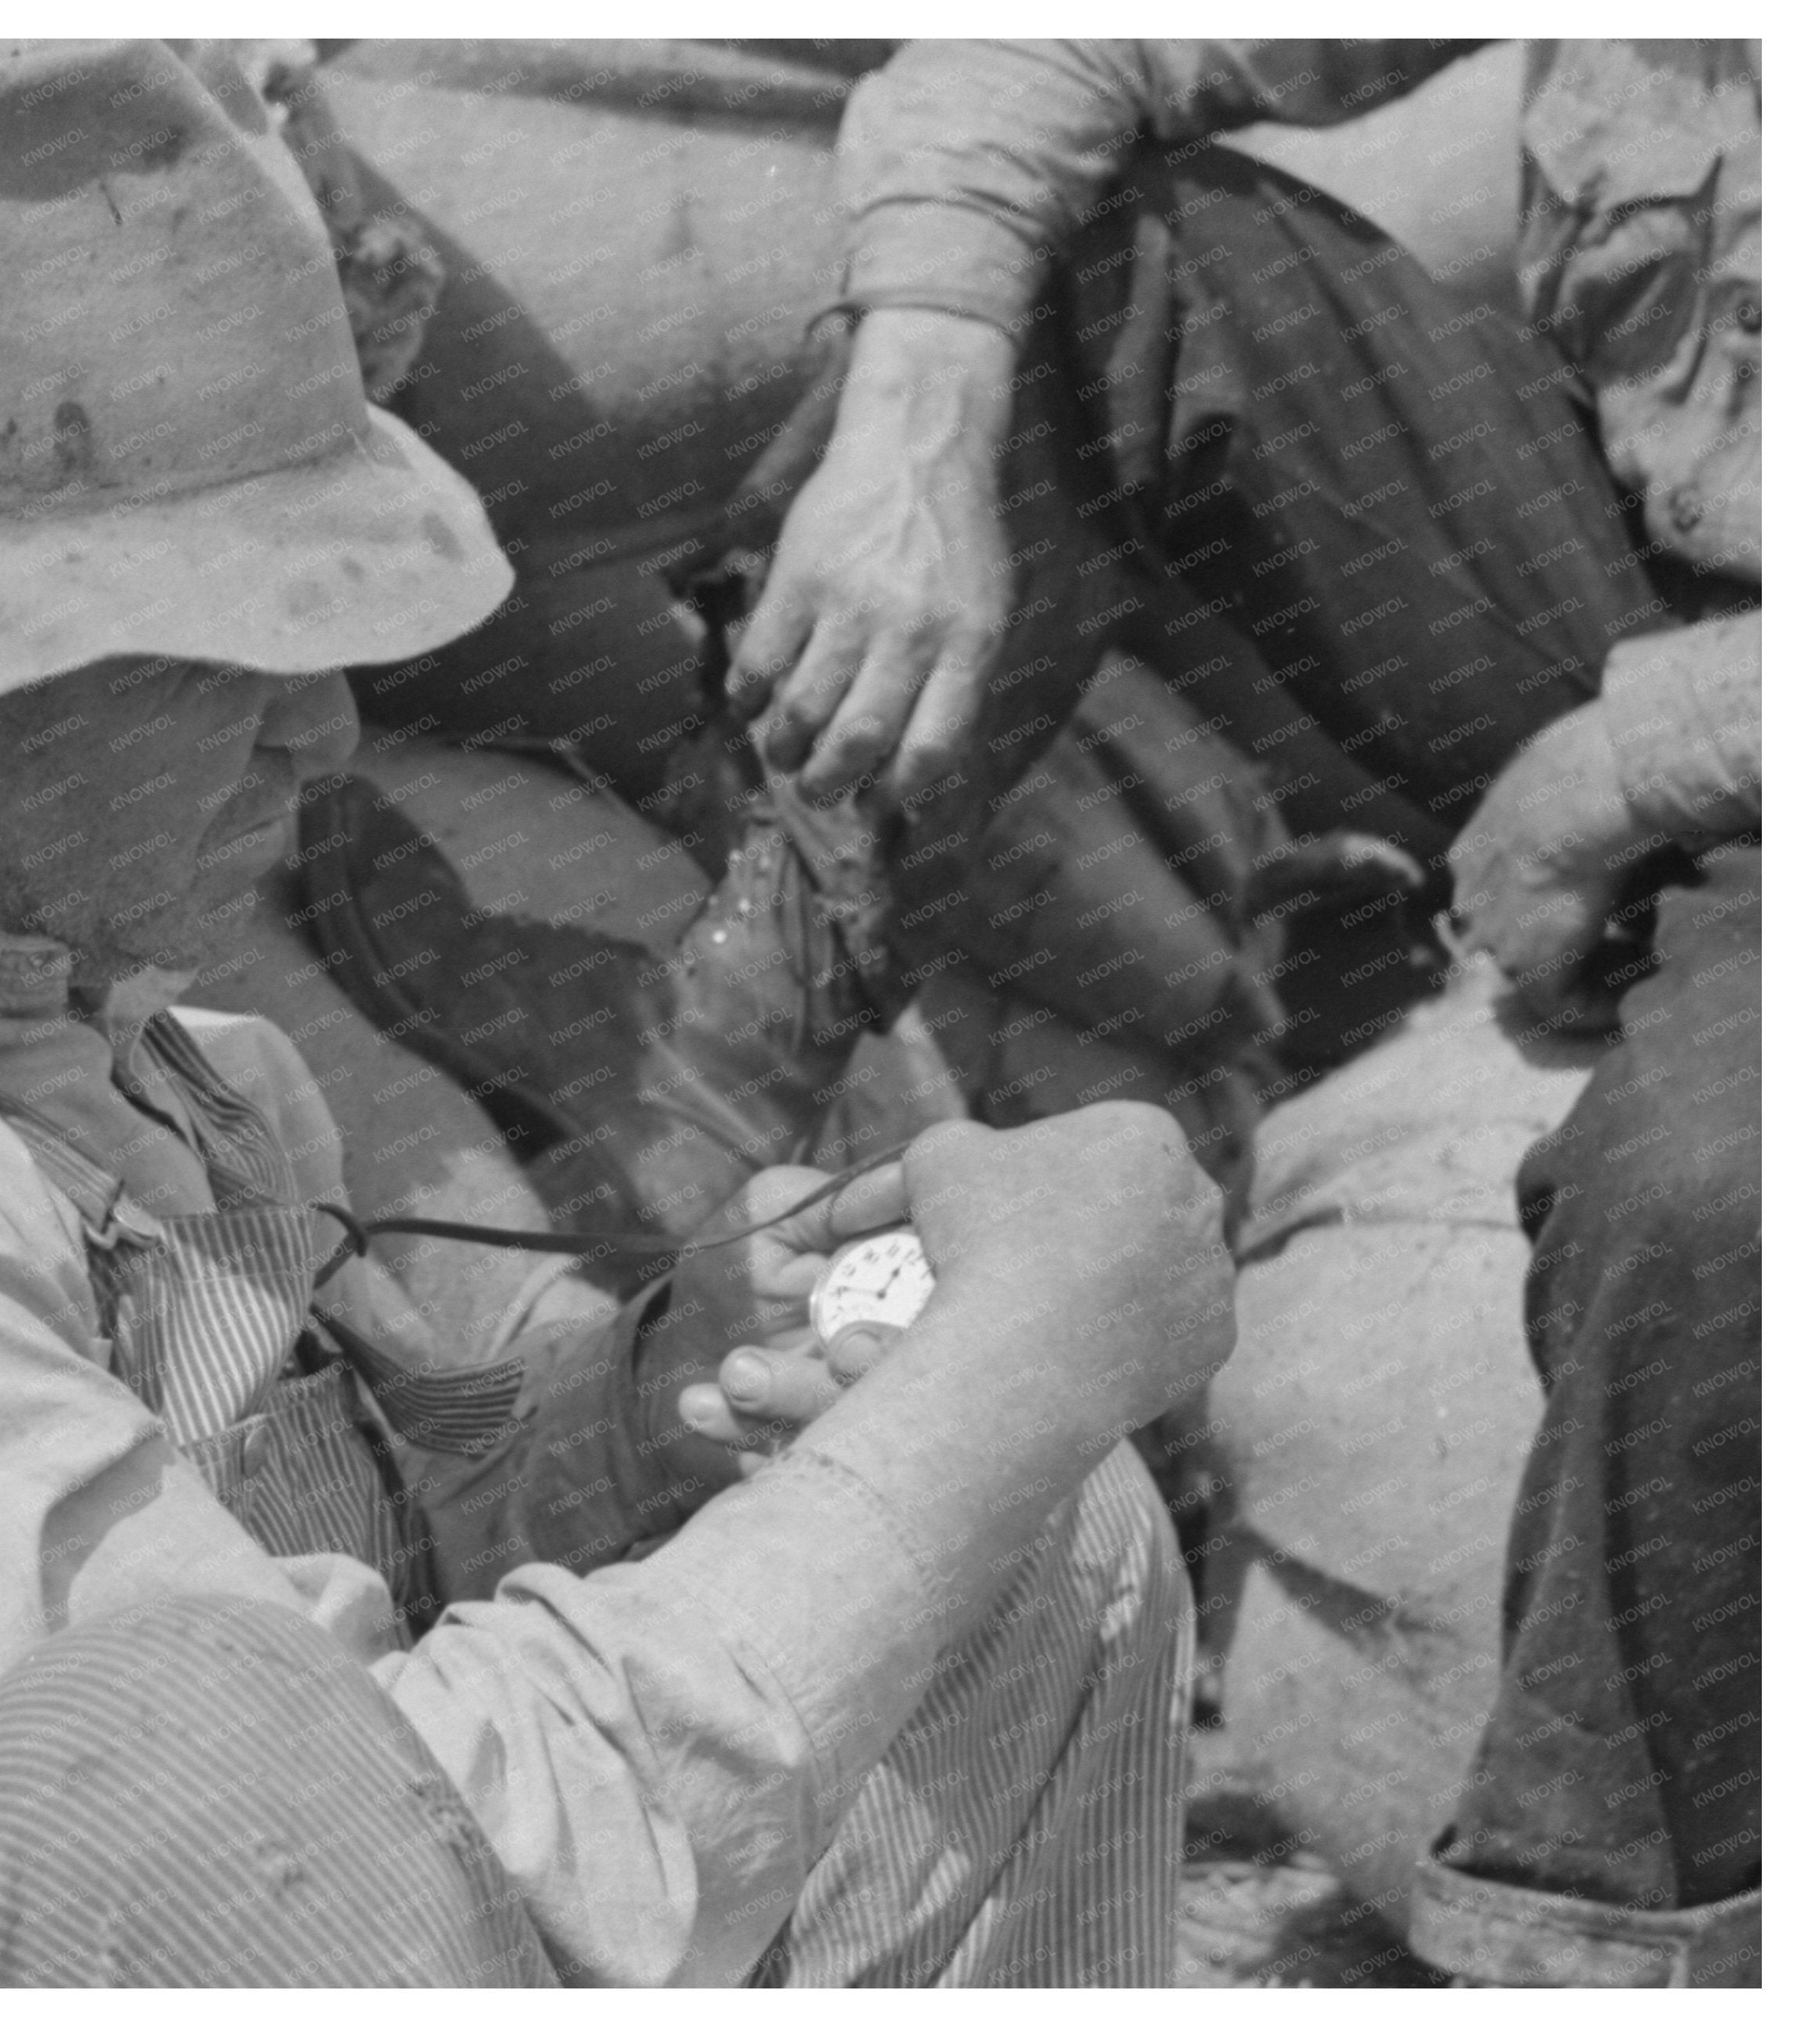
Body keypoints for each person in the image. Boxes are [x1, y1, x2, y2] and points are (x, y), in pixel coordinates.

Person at [0, 41, 1233, 1988]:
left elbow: (335, 1610)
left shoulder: (105, 1059)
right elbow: (306, 1852)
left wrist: (639, 1413)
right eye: (232, 649)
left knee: (1005, 1537)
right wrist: (1027, 1363)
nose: (326, 734)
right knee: (218, 1712)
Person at [729, 39, 1759, 1985]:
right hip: (1639, 572)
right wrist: (919, 421)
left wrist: (1631, 765)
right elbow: (1046, 51)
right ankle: (744, 1179)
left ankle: (1595, 1940)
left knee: (1719, 1206)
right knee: (1100, 261)